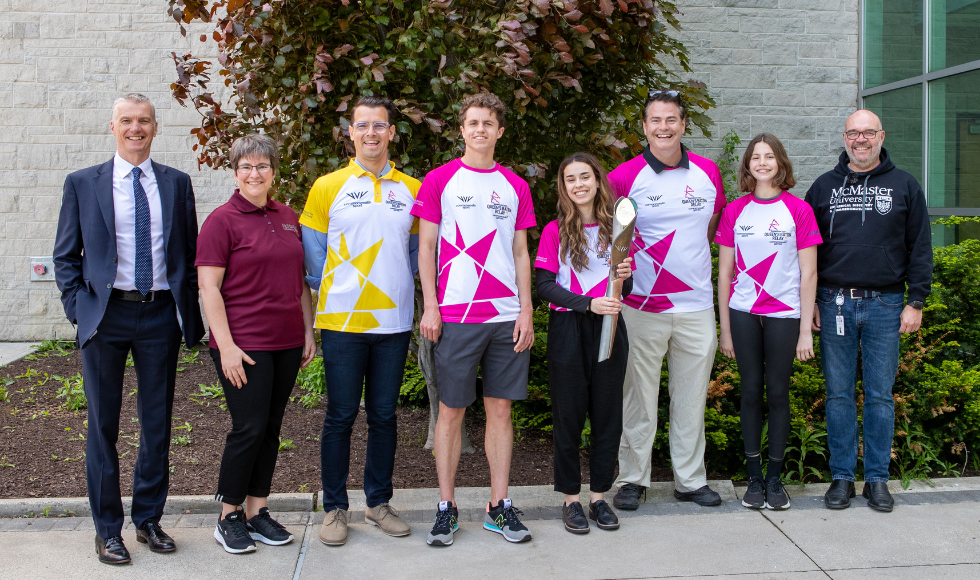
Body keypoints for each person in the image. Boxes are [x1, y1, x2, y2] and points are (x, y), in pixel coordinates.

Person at [53, 93, 205, 565]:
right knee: (103, 426)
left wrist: (186, 312)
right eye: (126, 121)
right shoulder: (83, 183)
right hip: (106, 317)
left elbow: (188, 255)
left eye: (143, 121)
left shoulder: (177, 184)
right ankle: (107, 530)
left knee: (156, 423)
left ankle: (148, 520)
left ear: (155, 128)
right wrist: (80, 310)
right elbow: (65, 256)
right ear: (112, 127)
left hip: (160, 314)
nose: (135, 128)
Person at [413, 92, 537, 547]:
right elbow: (426, 248)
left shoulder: (515, 185)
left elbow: (521, 252)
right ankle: (446, 508)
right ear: (461, 130)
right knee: (451, 412)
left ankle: (498, 507)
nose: (480, 129)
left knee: (500, 411)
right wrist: (430, 305)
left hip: (506, 317)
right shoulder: (440, 180)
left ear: (499, 131)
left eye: (488, 123)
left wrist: (526, 309)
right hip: (456, 316)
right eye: (473, 123)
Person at [299, 96, 421, 546]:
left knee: (385, 416)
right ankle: (334, 509)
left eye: (380, 125)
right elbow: (313, 255)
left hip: (393, 322)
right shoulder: (327, 186)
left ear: (392, 133)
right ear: (350, 133)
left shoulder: (413, 187)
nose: (371, 133)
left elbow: (416, 253)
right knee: (340, 416)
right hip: (341, 321)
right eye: (362, 125)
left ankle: (378, 503)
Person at [805, 110, 932, 512]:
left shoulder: (905, 185)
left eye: (868, 133)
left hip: (887, 305)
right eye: (853, 133)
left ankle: (877, 479)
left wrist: (916, 301)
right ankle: (842, 478)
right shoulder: (823, 187)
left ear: (881, 135)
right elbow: (806, 254)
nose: (860, 140)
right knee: (838, 395)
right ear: (844, 138)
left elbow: (921, 247)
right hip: (833, 302)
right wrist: (808, 305)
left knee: (880, 396)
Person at [607, 90, 728, 510]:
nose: (664, 127)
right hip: (642, 307)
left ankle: (690, 480)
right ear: (644, 126)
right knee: (637, 396)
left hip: (696, 307)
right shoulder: (624, 176)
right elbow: (611, 239)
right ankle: (633, 479)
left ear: (682, 124)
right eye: (656, 120)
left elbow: (710, 229)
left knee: (692, 396)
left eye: (671, 119)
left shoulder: (709, 173)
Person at [197, 134, 317, 553]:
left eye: (262, 166)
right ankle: (228, 515)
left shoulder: (288, 216)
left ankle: (256, 511)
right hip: (243, 344)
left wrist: (307, 331)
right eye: (246, 166)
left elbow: (300, 281)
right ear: (235, 172)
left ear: (273, 172)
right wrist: (225, 345)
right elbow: (208, 288)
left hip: (286, 342)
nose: (254, 173)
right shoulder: (221, 220)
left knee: (270, 429)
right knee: (247, 428)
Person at [716, 133, 822, 511]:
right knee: (749, 392)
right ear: (748, 165)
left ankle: (776, 480)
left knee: (777, 393)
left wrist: (805, 330)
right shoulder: (734, 211)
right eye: (755, 157)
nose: (762, 163)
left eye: (769, 156)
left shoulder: (799, 210)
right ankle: (754, 478)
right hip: (744, 313)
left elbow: (809, 274)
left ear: (781, 162)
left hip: (784, 314)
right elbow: (724, 274)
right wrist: (725, 329)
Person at [534, 152, 634, 534]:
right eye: (570, 179)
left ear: (597, 181)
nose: (579, 184)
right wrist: (587, 303)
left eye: (585, 177)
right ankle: (571, 500)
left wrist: (624, 274)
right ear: (564, 187)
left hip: (611, 327)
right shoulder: (554, 231)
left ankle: (599, 498)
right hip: (569, 330)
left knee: (607, 416)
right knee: (569, 417)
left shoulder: (619, 229)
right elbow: (544, 286)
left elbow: (631, 286)